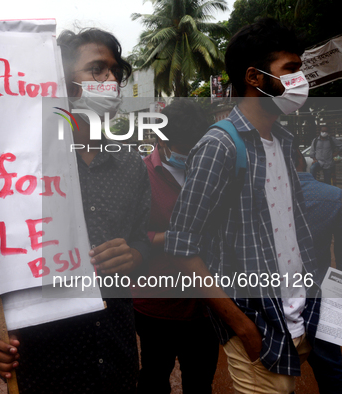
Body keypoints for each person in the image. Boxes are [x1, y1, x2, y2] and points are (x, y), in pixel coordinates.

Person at [0, 28, 151, 393]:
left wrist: (136, 253)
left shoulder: (131, 166)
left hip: (119, 361)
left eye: (115, 73)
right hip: (46, 365)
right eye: (97, 69)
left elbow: (145, 237)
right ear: (62, 82)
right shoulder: (21, 172)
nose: (110, 80)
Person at [165, 19, 320, 394]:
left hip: (297, 314)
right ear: (254, 77)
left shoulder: (283, 140)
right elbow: (181, 247)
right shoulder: (219, 146)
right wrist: (241, 326)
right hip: (258, 322)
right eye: (291, 70)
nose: (301, 81)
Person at [132, 100, 218, 393]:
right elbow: (128, 237)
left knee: (200, 381)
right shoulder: (139, 176)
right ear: (162, 140)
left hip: (205, 303)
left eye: (196, 146)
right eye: (183, 146)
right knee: (154, 378)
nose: (190, 154)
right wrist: (175, 237)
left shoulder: (208, 172)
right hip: (157, 304)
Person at [294, 142, 342, 394]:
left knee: (277, 371)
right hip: (323, 293)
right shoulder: (335, 196)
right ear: (302, 161)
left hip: (275, 298)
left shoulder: (257, 197)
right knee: (332, 367)